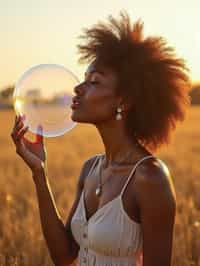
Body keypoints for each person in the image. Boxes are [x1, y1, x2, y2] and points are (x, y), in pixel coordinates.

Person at [11, 10, 191, 266]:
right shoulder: (90, 169)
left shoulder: (150, 178)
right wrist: (39, 173)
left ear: (124, 100)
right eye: (84, 79)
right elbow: (63, 256)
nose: (78, 88)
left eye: (94, 82)